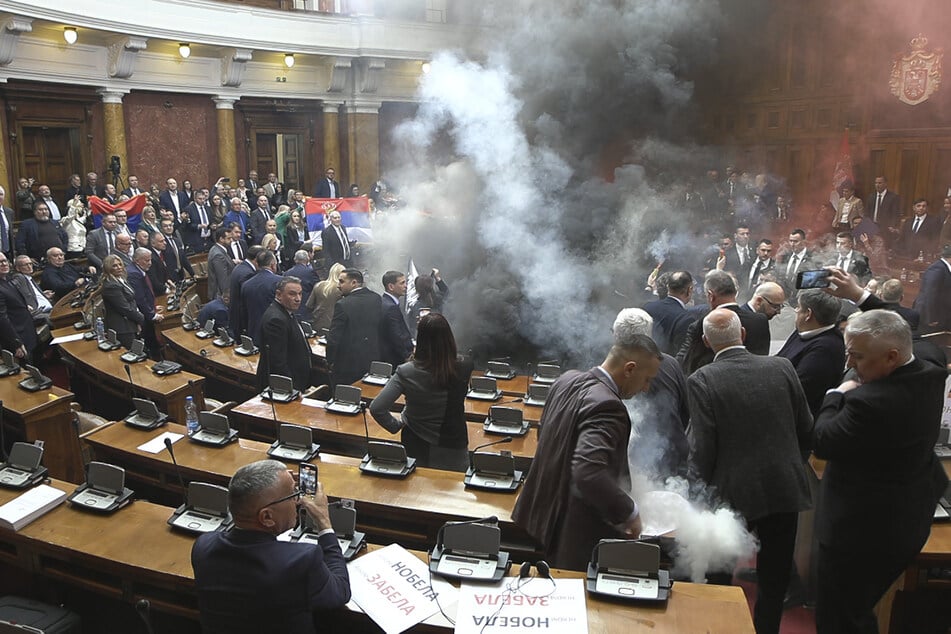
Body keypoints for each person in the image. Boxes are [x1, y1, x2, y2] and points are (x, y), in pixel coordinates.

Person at [813, 309, 947, 634]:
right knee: (858, 608)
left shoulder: (871, 402)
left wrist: (835, 396)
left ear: (890, 357)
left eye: (857, 356)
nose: (849, 363)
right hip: (908, 516)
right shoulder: (930, 366)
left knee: (842, 617)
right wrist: (860, 297)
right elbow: (901, 326)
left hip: (862, 534)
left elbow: (823, 440)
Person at [687, 309, 813, 634]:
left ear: (705, 342)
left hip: (730, 495)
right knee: (774, 580)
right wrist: (790, 464)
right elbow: (806, 430)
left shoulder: (702, 379)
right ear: (743, 333)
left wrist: (697, 497)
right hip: (784, 488)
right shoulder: (783, 367)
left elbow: (702, 449)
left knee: (719, 578)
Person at [512, 332, 661, 571]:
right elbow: (588, 472)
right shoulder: (609, 406)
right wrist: (629, 511)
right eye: (647, 379)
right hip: (575, 531)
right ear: (630, 369)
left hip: (544, 515)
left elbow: (545, 436)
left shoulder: (566, 379)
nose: (646, 388)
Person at [191, 459, 350, 634]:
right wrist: (323, 520)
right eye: (292, 495)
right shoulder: (301, 560)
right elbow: (340, 591)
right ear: (267, 517)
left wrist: (281, 482)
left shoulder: (203, 546)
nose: (298, 501)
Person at [369, 313, 473, 471]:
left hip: (416, 441)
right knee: (452, 490)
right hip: (453, 442)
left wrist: (395, 425)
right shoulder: (465, 366)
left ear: (421, 340)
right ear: (449, 338)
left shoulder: (406, 372)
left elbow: (377, 408)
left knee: (416, 491)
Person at [613, 308, 690, 481]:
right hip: (670, 457)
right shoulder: (670, 363)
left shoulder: (614, 368)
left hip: (642, 461)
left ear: (616, 336)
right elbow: (685, 411)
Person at [676, 269, 770, 375]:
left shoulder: (701, 325)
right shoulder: (760, 321)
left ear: (711, 295)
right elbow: (763, 358)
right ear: (735, 292)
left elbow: (688, 362)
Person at [775, 289, 844, 419]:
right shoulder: (803, 331)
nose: (795, 310)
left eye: (798, 307)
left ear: (808, 314)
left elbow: (798, 389)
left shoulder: (826, 349)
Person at [325, 268, 382, 386]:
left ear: (354, 283)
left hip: (347, 364)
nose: (338, 285)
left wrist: (330, 360)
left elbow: (334, 338)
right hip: (371, 358)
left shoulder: (343, 305)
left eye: (341, 281)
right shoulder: (376, 298)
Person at [256, 277, 312, 392]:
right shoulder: (276, 320)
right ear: (279, 294)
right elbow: (278, 362)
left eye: (300, 294)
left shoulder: (286, 312)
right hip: (283, 387)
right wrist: (292, 389)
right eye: (292, 294)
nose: (298, 299)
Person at [642, 270, 694, 355]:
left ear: (668, 287)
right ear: (689, 290)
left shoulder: (648, 307)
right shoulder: (686, 319)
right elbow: (681, 354)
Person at [100, 254, 144, 349]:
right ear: (108, 268)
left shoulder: (121, 280)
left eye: (120, 264)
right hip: (122, 328)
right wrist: (140, 318)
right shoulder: (111, 286)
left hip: (130, 322)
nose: (119, 267)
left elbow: (131, 300)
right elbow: (124, 308)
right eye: (114, 266)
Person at [0, 253, 36, 361]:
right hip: (18, 336)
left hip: (26, 330)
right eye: (0, 262)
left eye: (5, 261)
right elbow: (2, 318)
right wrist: (16, 342)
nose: (4, 264)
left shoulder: (7, 280)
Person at [242, 250, 282, 346]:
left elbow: (244, 311)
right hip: (275, 332)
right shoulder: (280, 282)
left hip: (254, 332)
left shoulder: (246, 284)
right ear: (273, 265)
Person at [379, 270, 413, 369]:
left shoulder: (382, 301)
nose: (406, 286)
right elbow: (396, 335)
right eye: (402, 283)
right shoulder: (391, 307)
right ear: (391, 287)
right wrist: (406, 355)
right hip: (394, 359)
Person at [913, 245, 951, 333]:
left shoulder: (944, 268)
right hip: (931, 317)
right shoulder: (937, 269)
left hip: (943, 314)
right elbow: (930, 293)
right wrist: (931, 317)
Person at [305, 262, 344, 332]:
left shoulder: (318, 285)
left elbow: (309, 305)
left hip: (317, 323)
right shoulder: (341, 289)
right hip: (334, 326)